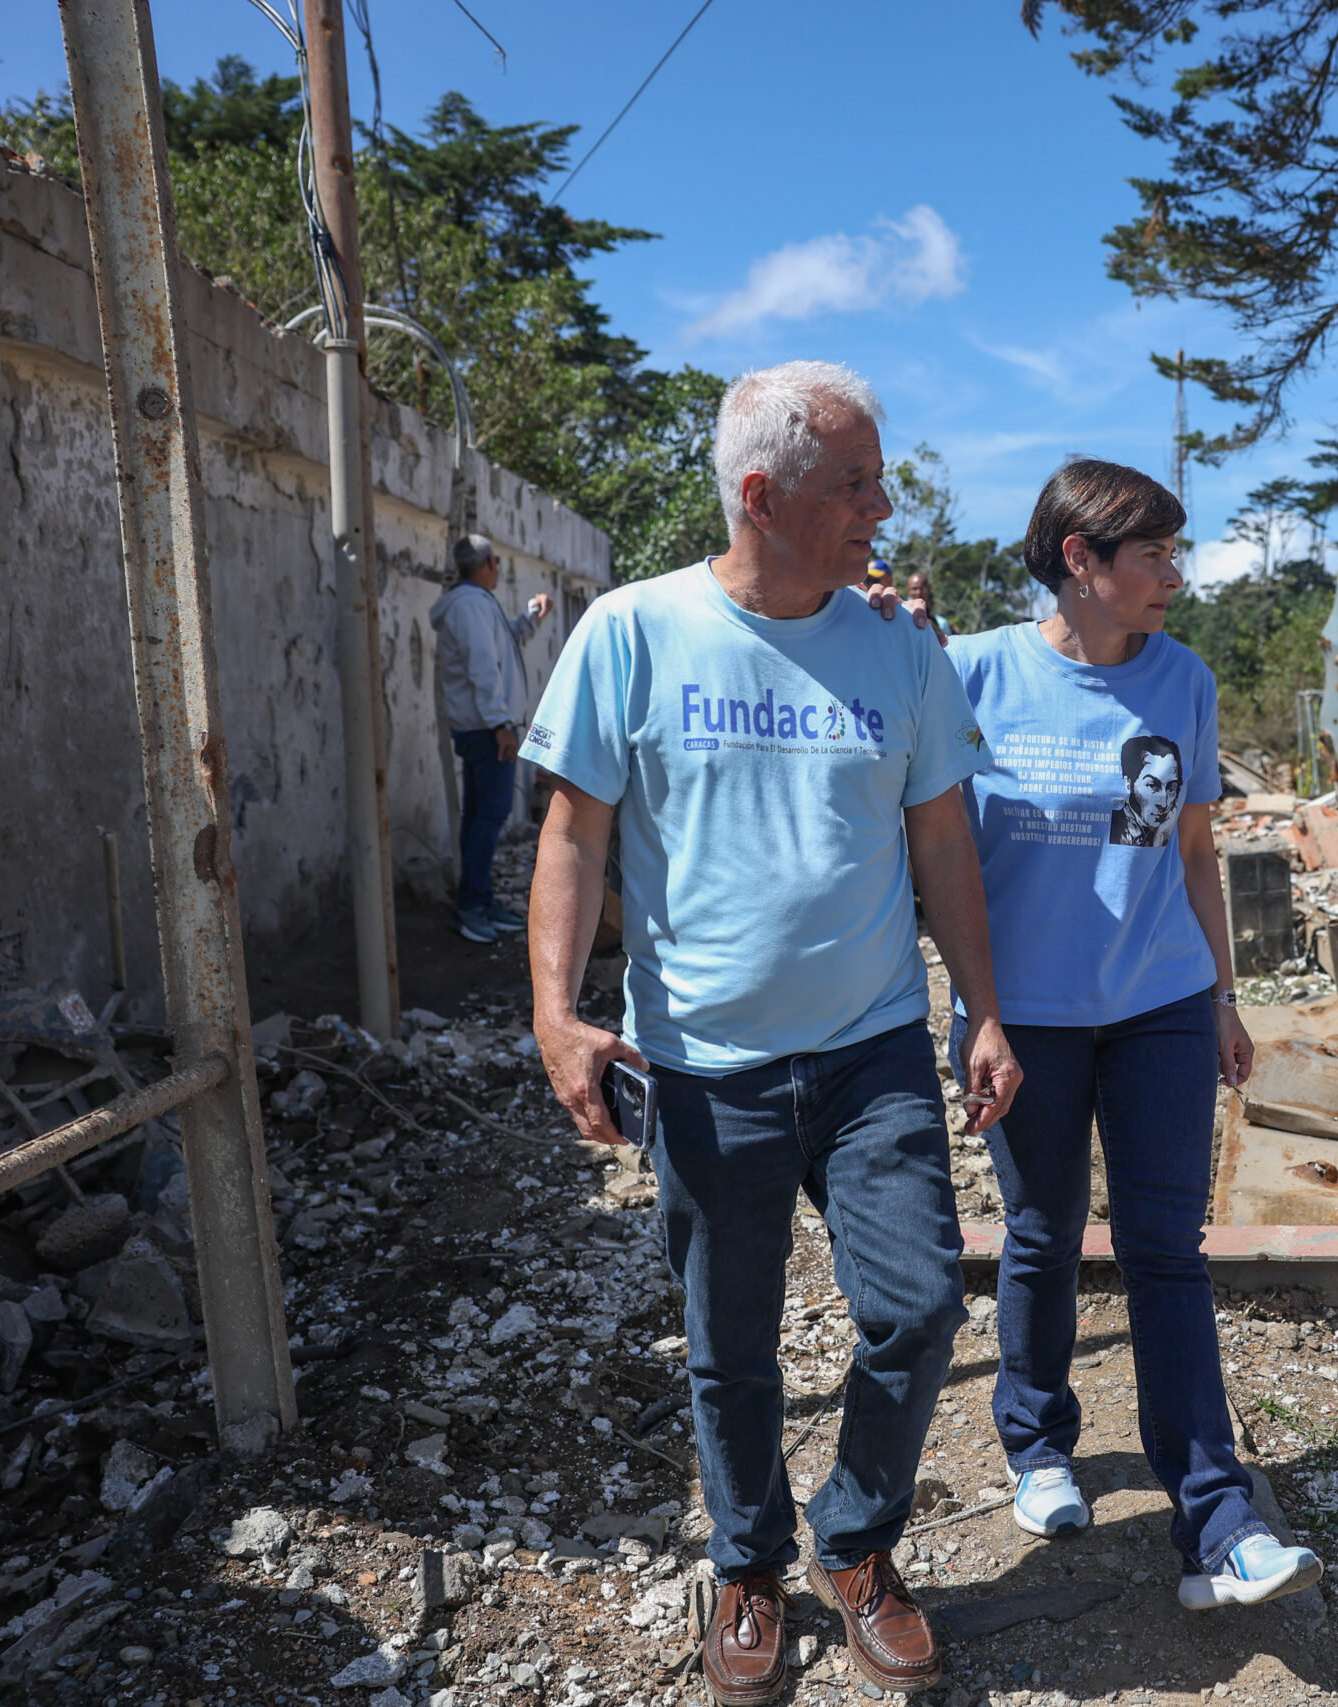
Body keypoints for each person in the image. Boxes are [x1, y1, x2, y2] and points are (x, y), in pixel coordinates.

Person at [524, 362, 1022, 1706]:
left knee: (917, 1306)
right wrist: (557, 1011)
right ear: (761, 493)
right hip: (701, 1063)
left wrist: (981, 1005)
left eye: (878, 475)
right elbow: (575, 833)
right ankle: (746, 1562)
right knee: (729, 1339)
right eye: (853, 482)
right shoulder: (633, 632)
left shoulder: (897, 648)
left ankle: (851, 1536)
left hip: (870, 1054)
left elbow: (942, 841)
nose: (882, 504)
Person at [945, 458, 1323, 1613]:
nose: (1176, 575)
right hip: (1027, 1022)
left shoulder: (1184, 680)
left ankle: (1216, 1518)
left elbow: (1195, 855)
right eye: (1154, 556)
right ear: (1079, 560)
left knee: (1166, 1251)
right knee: (1044, 1233)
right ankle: (1039, 1444)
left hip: (1158, 1003)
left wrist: (1219, 995)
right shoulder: (972, 675)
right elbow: (942, 864)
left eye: (1175, 551)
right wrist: (979, 1016)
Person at [428, 533, 551, 942]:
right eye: (496, 561)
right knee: (490, 817)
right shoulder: (469, 606)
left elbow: (504, 646)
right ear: (487, 564)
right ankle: (471, 907)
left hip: (487, 727)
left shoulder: (476, 604)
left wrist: (531, 618)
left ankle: (480, 898)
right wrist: (501, 724)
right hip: (486, 730)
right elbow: (483, 667)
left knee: (481, 816)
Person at [904, 566, 949, 645]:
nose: (918, 592)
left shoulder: (940, 622)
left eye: (922, 588)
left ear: (928, 589)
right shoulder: (901, 612)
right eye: (914, 589)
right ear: (908, 590)